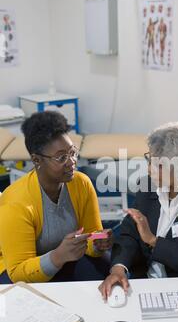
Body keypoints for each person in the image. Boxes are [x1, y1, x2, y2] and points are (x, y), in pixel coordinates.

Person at [99, 122, 178, 299]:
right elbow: (129, 233)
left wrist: (153, 241)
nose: (149, 170)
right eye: (150, 160)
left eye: (159, 165)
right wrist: (118, 268)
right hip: (145, 282)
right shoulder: (147, 186)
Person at [0, 111, 113, 284]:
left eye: (72, 152)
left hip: (64, 259)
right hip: (19, 272)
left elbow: (91, 236)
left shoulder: (81, 183)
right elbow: (17, 271)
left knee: (110, 270)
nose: (71, 161)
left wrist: (98, 244)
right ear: (37, 160)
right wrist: (57, 257)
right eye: (61, 157)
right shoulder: (16, 203)